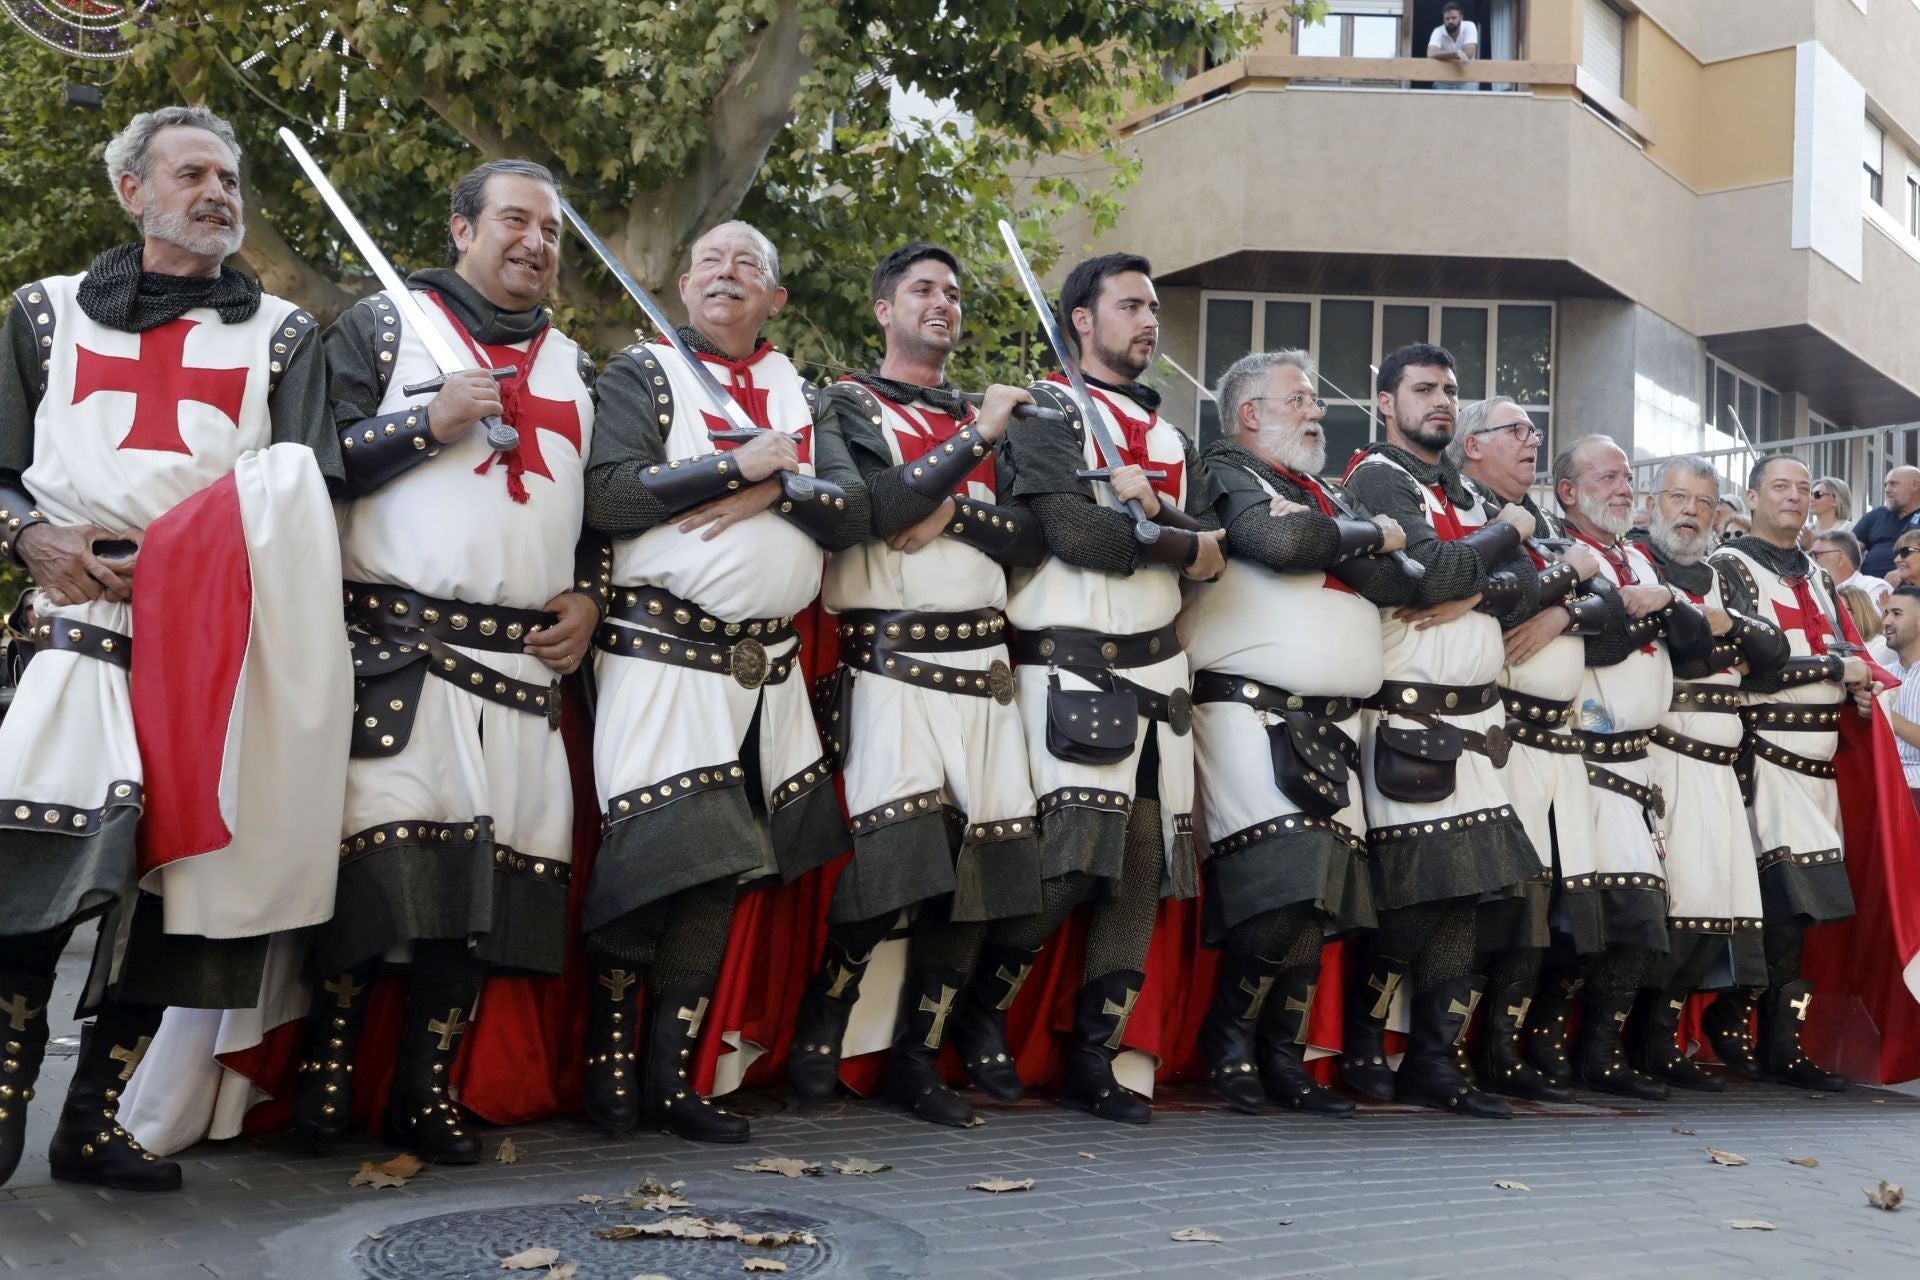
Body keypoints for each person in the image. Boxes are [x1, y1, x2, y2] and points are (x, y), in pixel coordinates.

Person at [0, 105, 345, 1190]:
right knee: (35, 869)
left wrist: (203, 566)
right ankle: (4, 1104)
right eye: (191, 173)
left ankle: (93, 1121)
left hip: (205, 640)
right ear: (131, 191)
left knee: (178, 894)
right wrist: (27, 532)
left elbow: (304, 494)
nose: (218, 193)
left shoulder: (285, 336)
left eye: (230, 178)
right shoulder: (42, 315)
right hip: (71, 631)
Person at [291, 158, 603, 1163]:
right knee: (378, 880)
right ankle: (325, 1078)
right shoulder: (385, 327)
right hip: (401, 651)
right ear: (461, 227)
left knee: (478, 907)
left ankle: (428, 1090)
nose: (535, 242)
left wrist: (590, 594)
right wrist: (426, 421)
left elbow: (596, 515)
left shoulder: (575, 365)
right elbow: (309, 461)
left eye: (549, 230)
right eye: (515, 220)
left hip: (519, 669)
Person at [580, 220, 851, 1144]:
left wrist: (780, 489)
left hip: (766, 670)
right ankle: (610, 1072)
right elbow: (607, 494)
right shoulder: (640, 374)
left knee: (722, 877)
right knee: (657, 867)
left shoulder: (800, 393)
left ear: (776, 299)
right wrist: (728, 466)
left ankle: (672, 1078)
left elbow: (853, 509)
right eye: (708, 263)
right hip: (663, 657)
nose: (725, 275)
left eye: (749, 265)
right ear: (684, 288)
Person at [947, 252, 1222, 1125]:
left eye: (1153, 306)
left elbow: (1215, 557)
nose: (1148, 320)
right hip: (1072, 662)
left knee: (1139, 873)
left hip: (1158, 673)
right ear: (1080, 319)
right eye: (1130, 305)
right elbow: (1072, 534)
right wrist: (1167, 533)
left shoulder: (1171, 435)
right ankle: (981, 1010)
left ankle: (1092, 1056)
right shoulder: (1044, 409)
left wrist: (1164, 528)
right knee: (1062, 867)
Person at [785, 242, 1042, 1128]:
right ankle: (825, 1019)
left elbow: (1038, 533)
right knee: (892, 870)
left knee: (983, 883)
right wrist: (974, 445)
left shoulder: (989, 412)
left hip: (986, 672)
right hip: (891, 665)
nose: (942, 302)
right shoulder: (846, 403)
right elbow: (871, 510)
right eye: (923, 290)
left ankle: (915, 1055)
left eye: (953, 292)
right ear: (883, 309)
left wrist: (958, 508)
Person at [1182, 350, 1407, 1116]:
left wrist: (1339, 530)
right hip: (1250, 709)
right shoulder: (1223, 468)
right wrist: (1366, 533)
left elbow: (1401, 577)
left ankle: (1281, 1054)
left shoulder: (1319, 491)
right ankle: (1230, 1039)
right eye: (1301, 400)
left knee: (1320, 901)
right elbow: (1277, 547)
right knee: (1280, 886)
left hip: (1328, 724)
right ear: (1250, 415)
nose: (1317, 412)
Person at [1339, 345, 1541, 1119]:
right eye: (1424, 389)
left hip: (1479, 722)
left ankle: (1434, 1058)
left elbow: (1520, 584)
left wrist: (1470, 587)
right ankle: (1362, 1037)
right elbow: (1420, 572)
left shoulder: (1458, 486)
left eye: (1450, 391)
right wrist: (1489, 555)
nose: (1442, 403)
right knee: (1418, 897)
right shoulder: (1376, 476)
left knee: (1468, 897)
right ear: (1385, 400)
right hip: (1410, 715)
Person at [1548, 435, 1714, 1100]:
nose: (1624, 486)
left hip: (1639, 765)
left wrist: (1666, 604)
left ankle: (1600, 1052)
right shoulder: (1562, 552)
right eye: (1607, 475)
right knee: (1581, 924)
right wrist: (1646, 611)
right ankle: (1546, 1046)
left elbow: (1699, 645)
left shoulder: (1640, 556)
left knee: (1640, 921)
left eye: (1626, 476)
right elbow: (1602, 643)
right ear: (1568, 492)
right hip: (1583, 755)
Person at [1451, 397, 1606, 1103]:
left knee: (1542, 909)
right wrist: (1567, 579)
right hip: (1497, 735)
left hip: (1560, 745)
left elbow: (1621, 612)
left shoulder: (1542, 522)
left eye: (1534, 430)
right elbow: (1492, 592)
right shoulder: (1464, 509)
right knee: (1497, 905)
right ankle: (1453, 1049)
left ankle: (1505, 1049)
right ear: (1473, 445)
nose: (1530, 440)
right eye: (1514, 430)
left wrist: (1566, 608)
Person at [1707, 454, 1873, 1089]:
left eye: (1806, 489)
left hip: (1820, 763)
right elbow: (1756, 664)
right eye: (1780, 486)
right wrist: (1834, 671)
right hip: (1766, 755)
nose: (1796, 497)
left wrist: (1855, 682)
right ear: (1751, 496)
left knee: (1798, 911)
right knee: (1781, 903)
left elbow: (1847, 651)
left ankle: (1771, 1036)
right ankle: (1746, 1028)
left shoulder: (1817, 576)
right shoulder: (1731, 565)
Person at [1633, 457, 1788, 1091]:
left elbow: (1772, 653)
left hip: (1720, 766)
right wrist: (1720, 640)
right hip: (1666, 756)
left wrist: (1730, 630)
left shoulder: (1720, 575)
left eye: (1703, 500)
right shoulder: (1641, 563)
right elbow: (1689, 653)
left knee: (1718, 912)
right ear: (1653, 503)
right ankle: (1638, 1040)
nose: (1691, 511)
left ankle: (1665, 1038)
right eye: (1678, 497)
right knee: (1675, 907)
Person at [1877, 586, 1920, 807]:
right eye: (1885, 613)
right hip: (1885, 788)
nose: (1886, 622)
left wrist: (1881, 711)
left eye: (1897, 613)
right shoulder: (1883, 675)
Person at [1854, 465, 1920, 578]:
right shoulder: (1877, 515)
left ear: (1915, 485)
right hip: (1868, 587)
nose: (1887, 490)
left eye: (1893, 484)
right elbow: (1848, 547)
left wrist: (1903, 573)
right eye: (1886, 485)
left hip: (1910, 587)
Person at [1811, 528, 1890, 605]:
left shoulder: (1873, 588)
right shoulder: (1813, 592)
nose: (1811, 561)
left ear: (1840, 559)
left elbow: (1868, 618)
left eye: (1816, 555)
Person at [1427, 2, 1479, 89]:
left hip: (1467, 81)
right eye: (1447, 18)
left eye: (1453, 18)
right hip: (1443, 81)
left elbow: (1468, 53)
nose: (1450, 21)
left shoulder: (1469, 26)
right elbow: (1431, 54)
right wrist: (1456, 53)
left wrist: (1442, 55)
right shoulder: (1438, 31)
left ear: (1461, 18)